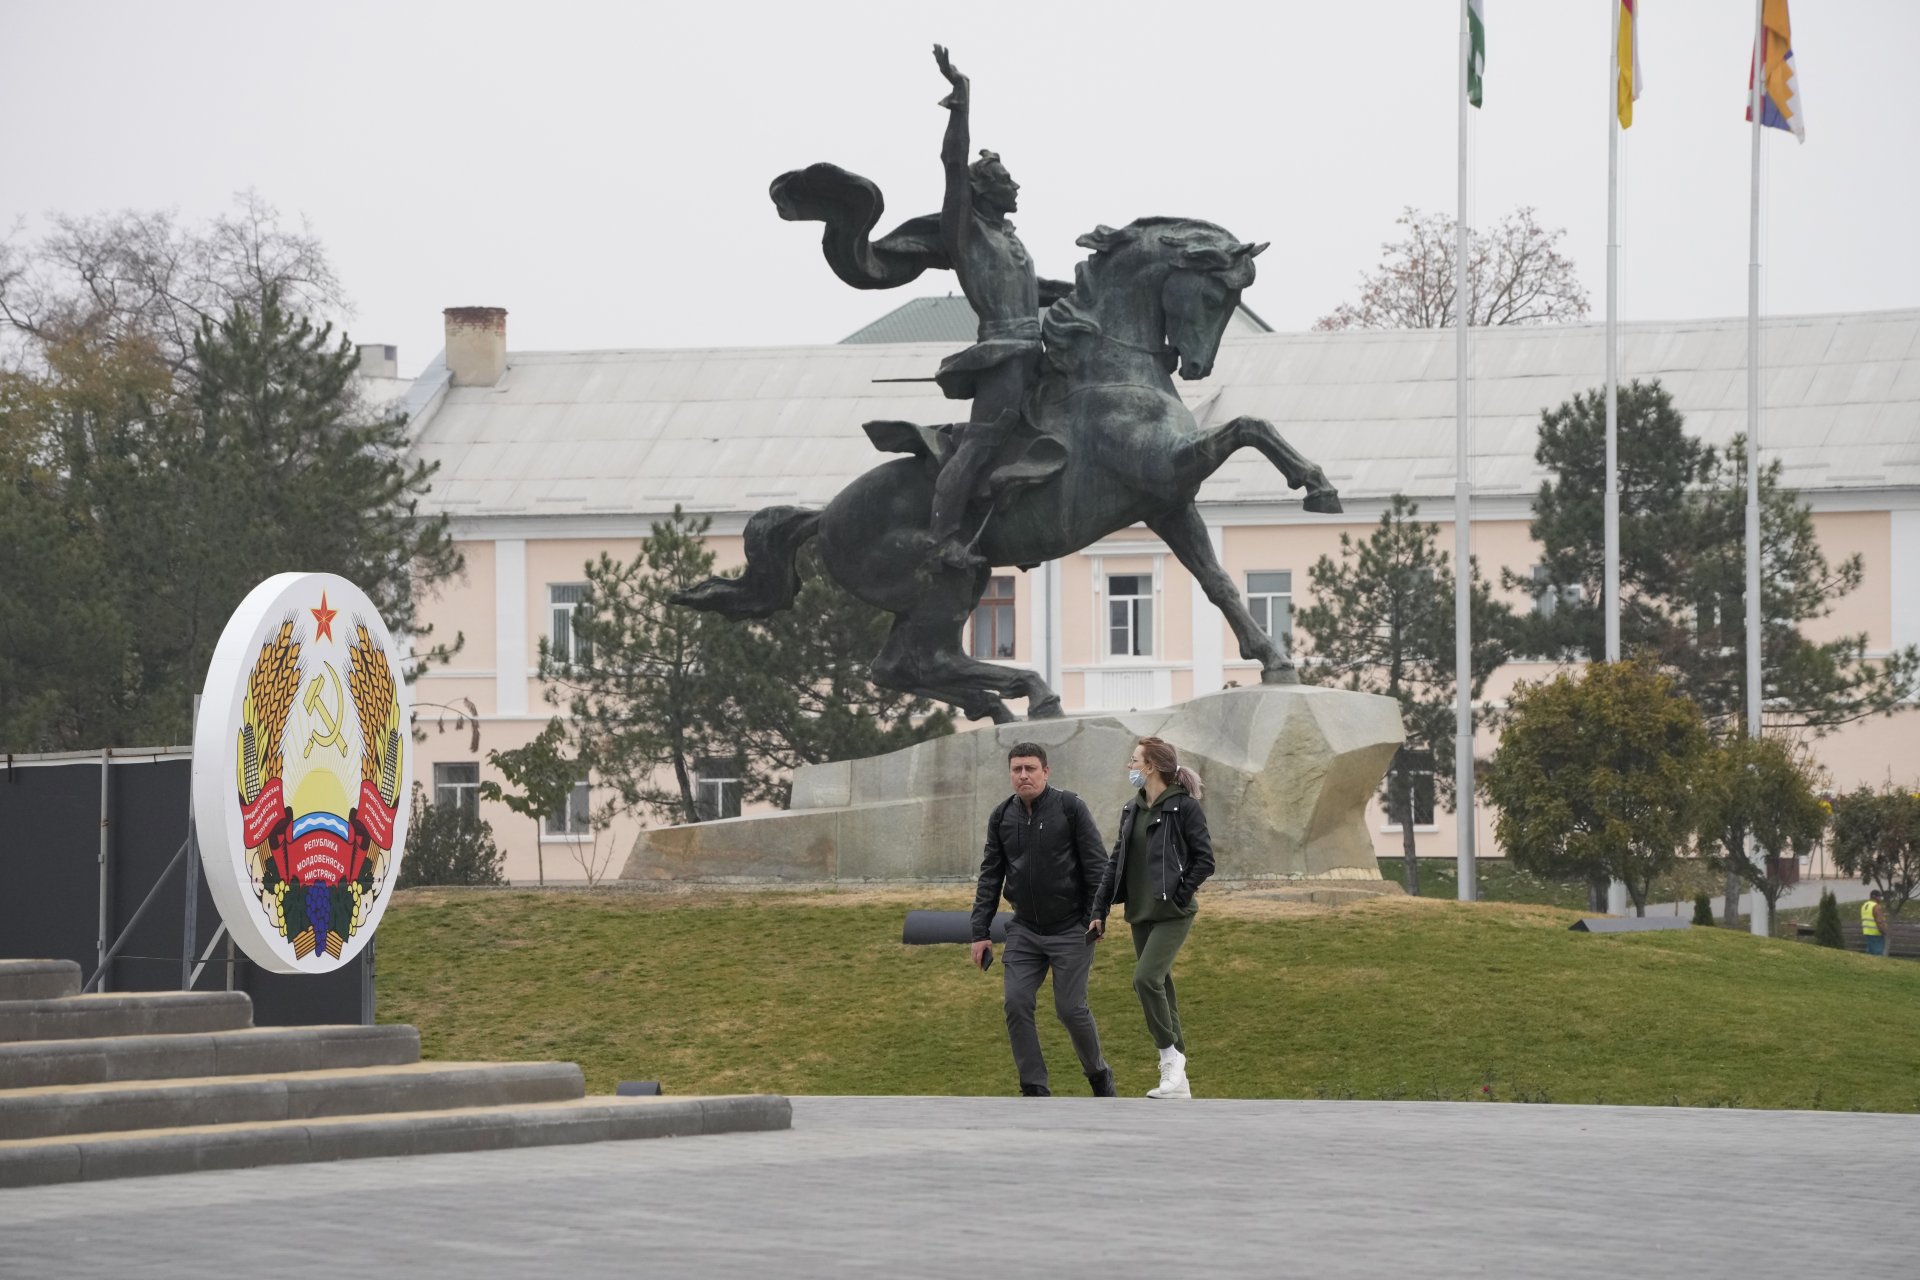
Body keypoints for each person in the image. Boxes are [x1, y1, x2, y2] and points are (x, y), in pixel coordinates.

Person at [922, 45, 1062, 572]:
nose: (1016, 185)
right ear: (983, 190)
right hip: (1002, 355)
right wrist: (961, 103)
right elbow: (953, 166)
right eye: (1007, 180)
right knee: (982, 442)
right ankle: (942, 539)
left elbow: (1037, 290)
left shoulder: (1009, 239)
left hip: (1034, 351)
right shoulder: (967, 231)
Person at [971, 741, 1116, 1097]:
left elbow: (1098, 867)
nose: (1023, 776)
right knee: (1016, 1002)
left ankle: (1098, 1075)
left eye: (1030, 769)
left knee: (1070, 1009)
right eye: (1017, 769)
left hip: (1071, 928)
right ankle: (1034, 1087)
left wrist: (1096, 915)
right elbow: (990, 875)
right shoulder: (1002, 816)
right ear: (1010, 774)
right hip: (1024, 930)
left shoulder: (1070, 808)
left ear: (1045, 772)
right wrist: (979, 932)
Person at [1092, 736, 1215, 1099]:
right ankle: (1179, 1082)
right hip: (1140, 912)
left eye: (1134, 761)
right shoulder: (1131, 810)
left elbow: (1204, 860)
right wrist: (1098, 910)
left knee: (1145, 979)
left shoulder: (1184, 808)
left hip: (1172, 912)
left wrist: (1180, 893)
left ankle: (1169, 1060)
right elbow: (1115, 863)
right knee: (1161, 987)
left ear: (1150, 767)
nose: (1129, 767)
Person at [1862, 889, 1890, 957]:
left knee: (1870, 953)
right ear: (1874, 897)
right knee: (1877, 954)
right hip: (1876, 933)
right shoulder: (1876, 906)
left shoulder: (1865, 905)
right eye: (1879, 897)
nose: (1880, 899)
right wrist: (1884, 931)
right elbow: (1879, 922)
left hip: (1867, 932)